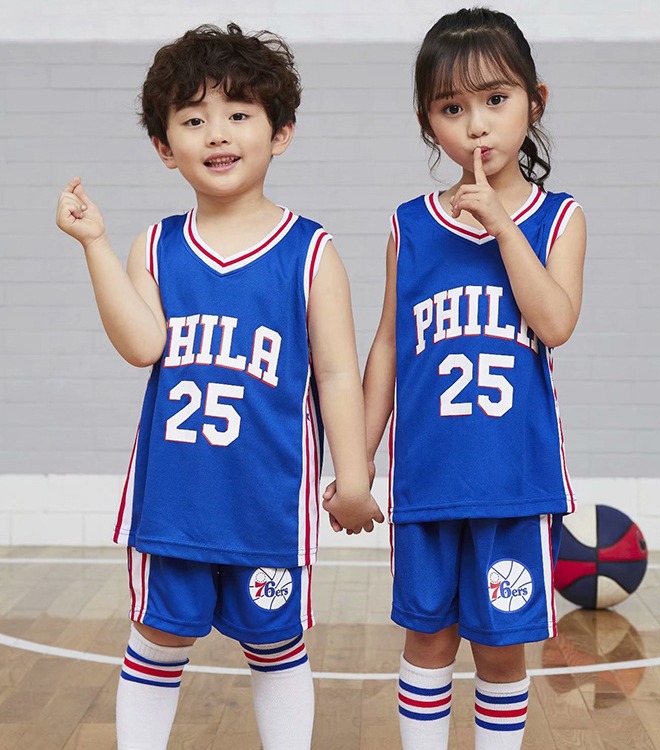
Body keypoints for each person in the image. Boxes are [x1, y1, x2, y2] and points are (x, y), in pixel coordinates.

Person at [55, 23, 383, 750]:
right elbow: (142, 346)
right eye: (193, 119)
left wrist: (356, 475)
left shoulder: (310, 250)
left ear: (281, 132)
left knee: (277, 647)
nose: (218, 133)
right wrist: (95, 244)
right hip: (174, 501)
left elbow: (336, 373)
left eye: (238, 113)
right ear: (164, 147)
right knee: (157, 642)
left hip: (269, 502)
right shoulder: (156, 245)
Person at [352, 8, 586, 749]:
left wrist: (503, 227)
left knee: (500, 651)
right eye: (452, 108)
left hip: (514, 482)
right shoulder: (410, 224)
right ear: (429, 122)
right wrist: (356, 461)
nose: (476, 124)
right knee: (426, 642)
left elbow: (555, 322)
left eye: (496, 99)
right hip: (428, 479)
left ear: (534, 102)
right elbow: (388, 346)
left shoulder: (559, 218)